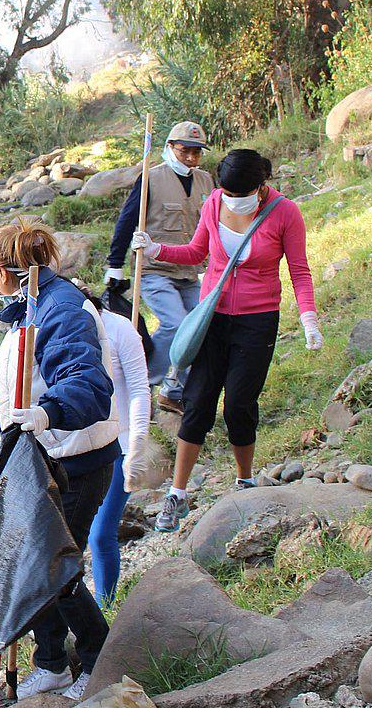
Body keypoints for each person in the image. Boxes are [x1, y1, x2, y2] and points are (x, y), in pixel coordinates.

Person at [131, 149, 322, 533]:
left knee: (238, 403)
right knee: (198, 400)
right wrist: (155, 250)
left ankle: (244, 480)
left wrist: (308, 317)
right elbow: (197, 252)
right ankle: (178, 493)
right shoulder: (215, 202)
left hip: (257, 321)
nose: (234, 200)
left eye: (242, 193)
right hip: (213, 318)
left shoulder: (286, 213)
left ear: (261, 184)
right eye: (228, 193)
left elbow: (298, 270)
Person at [0, 222, 116, 700]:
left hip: (79, 457)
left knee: (55, 568)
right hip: (44, 454)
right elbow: (21, 389)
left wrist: (48, 412)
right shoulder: (27, 309)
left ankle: (98, 659)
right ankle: (52, 662)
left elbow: (88, 386)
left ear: (1, 271)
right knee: (37, 565)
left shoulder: (63, 310)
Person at [105, 121, 214, 413]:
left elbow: (213, 225)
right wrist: (115, 264)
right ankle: (145, 380)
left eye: (197, 152)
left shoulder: (206, 181)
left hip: (191, 270)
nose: (191, 158)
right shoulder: (151, 178)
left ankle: (175, 388)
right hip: (155, 269)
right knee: (176, 323)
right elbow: (127, 220)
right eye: (185, 151)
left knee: (200, 327)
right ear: (169, 148)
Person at [81, 287, 153, 607]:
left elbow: (139, 388)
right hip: (81, 447)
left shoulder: (120, 328)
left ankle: (104, 608)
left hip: (120, 445)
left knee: (100, 534)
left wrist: (137, 442)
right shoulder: (62, 332)